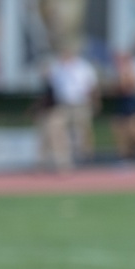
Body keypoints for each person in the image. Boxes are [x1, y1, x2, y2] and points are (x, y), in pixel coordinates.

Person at [39, 41, 100, 171]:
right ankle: (63, 163)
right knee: (56, 129)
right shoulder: (57, 67)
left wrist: (95, 103)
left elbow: (92, 87)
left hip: (80, 104)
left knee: (84, 134)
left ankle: (86, 159)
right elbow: (49, 86)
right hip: (62, 105)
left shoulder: (84, 67)